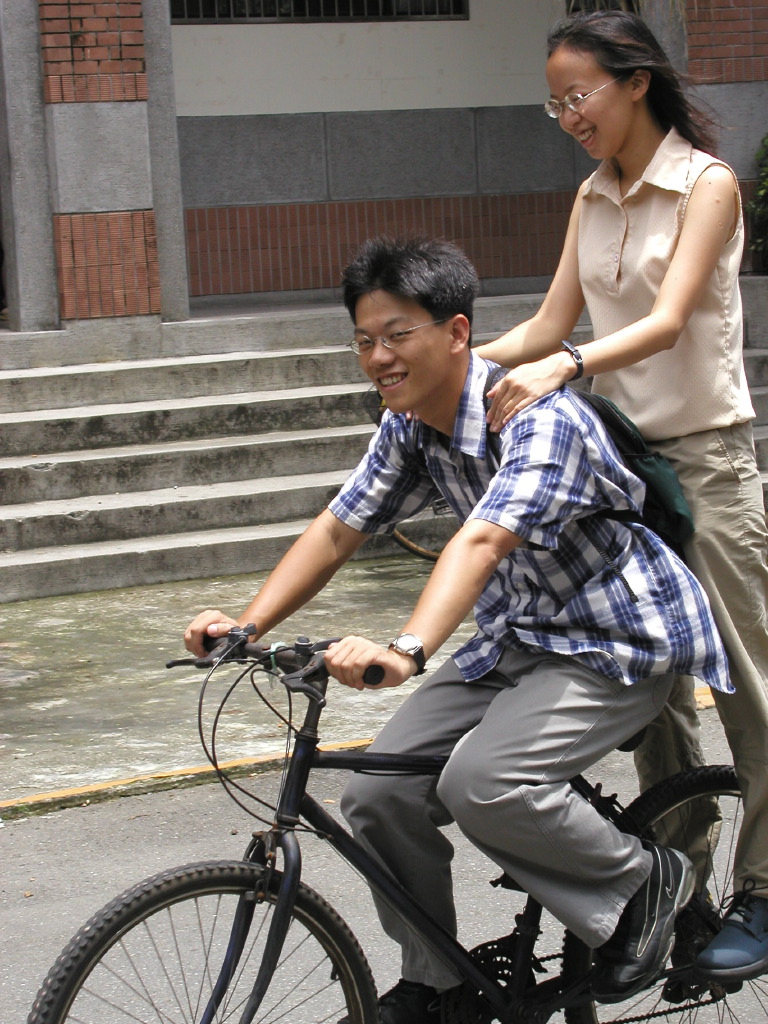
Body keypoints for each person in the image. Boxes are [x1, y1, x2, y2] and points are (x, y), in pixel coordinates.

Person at [185, 234, 731, 1020]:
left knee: (484, 782)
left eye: (398, 335)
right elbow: (341, 527)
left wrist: (407, 649)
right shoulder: (408, 423)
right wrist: (246, 624)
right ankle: (439, 986)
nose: (379, 356)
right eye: (365, 340)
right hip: (519, 638)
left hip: (616, 642)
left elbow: (481, 539)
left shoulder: (538, 418)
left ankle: (647, 884)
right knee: (378, 794)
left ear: (458, 332)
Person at [474, 9, 768, 979]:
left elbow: (670, 318)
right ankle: (675, 878)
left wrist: (563, 366)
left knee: (746, 687)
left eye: (578, 94)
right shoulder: (591, 199)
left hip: (708, 466)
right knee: (652, 694)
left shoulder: (708, 185)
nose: (566, 115)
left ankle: (766, 889)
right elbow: (552, 320)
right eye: (553, 101)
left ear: (635, 81)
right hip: (627, 475)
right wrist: (454, 365)